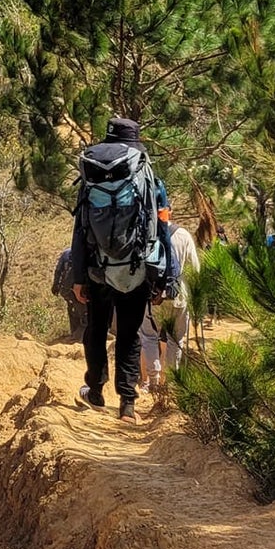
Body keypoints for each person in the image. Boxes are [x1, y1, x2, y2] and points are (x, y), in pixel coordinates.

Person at [70, 115, 171, 422]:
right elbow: (162, 228)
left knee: (97, 329)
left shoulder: (91, 173)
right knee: (129, 334)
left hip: (98, 268)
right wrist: (164, 278)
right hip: (136, 269)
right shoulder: (147, 175)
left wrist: (78, 277)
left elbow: (79, 229)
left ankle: (96, 391)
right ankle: (127, 403)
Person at [140, 198, 201, 400]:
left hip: (151, 296)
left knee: (149, 337)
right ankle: (170, 383)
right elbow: (195, 269)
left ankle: (153, 382)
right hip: (178, 296)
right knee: (176, 339)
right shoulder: (182, 235)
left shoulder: (143, 234)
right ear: (169, 212)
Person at [51, 243, 89, 342]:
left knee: (73, 311)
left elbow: (58, 270)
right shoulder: (88, 253)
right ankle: (78, 338)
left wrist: (55, 285)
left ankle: (74, 335)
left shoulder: (67, 252)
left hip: (66, 289)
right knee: (86, 315)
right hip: (81, 290)